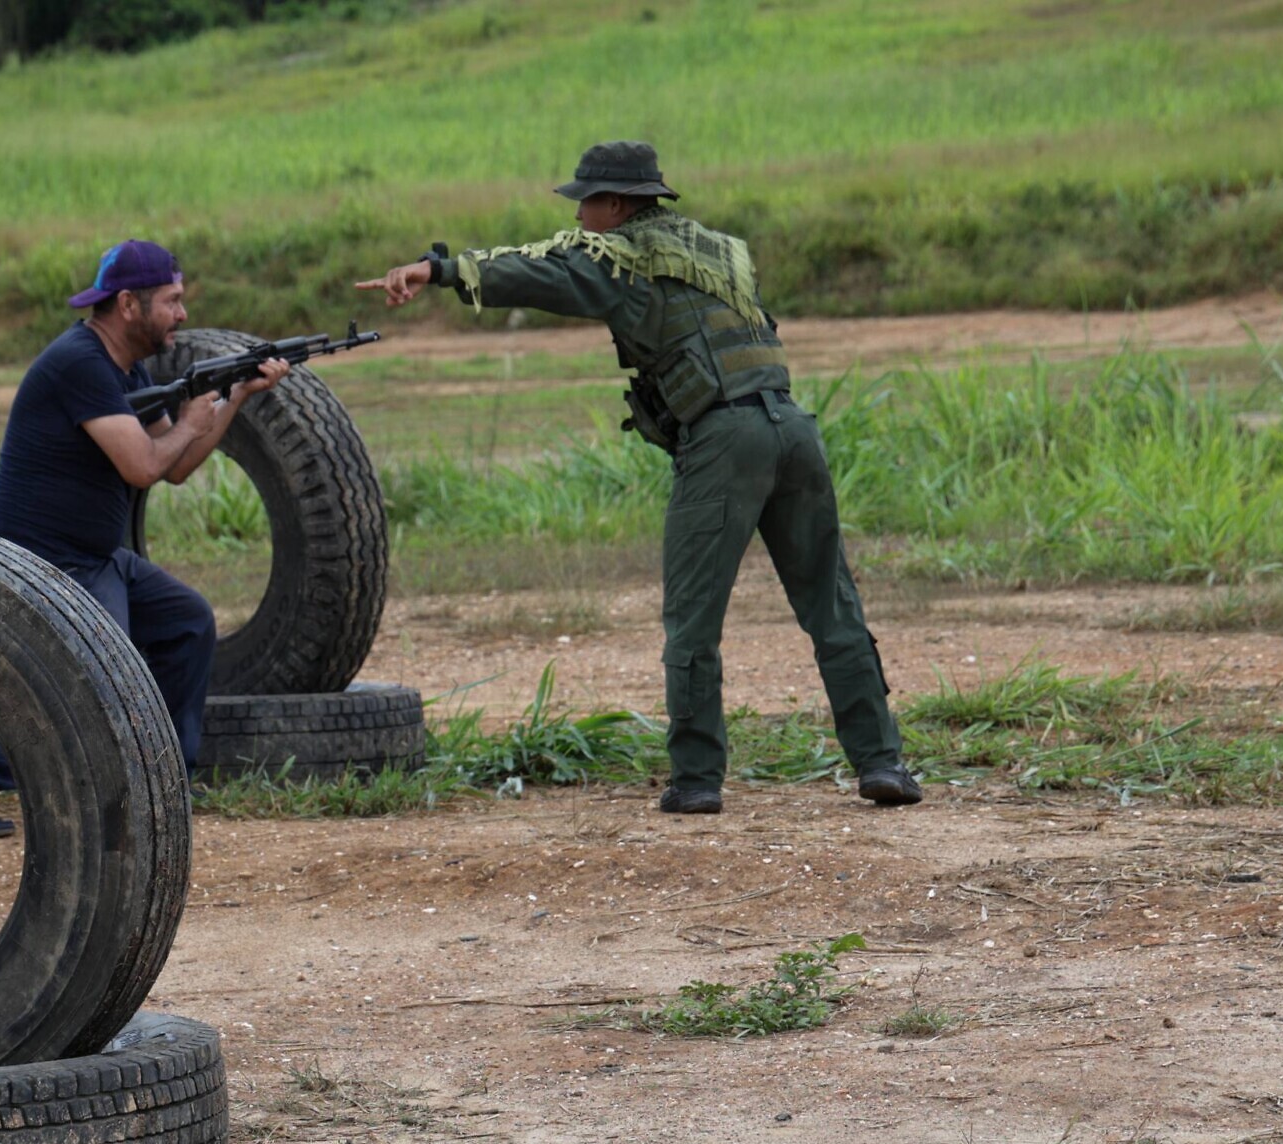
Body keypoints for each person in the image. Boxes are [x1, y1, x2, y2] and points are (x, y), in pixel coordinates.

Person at [357, 141, 922, 814]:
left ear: (618, 205)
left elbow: (537, 274)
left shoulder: (620, 260)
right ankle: (882, 761)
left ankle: (697, 779)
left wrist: (440, 270)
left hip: (725, 438)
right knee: (832, 606)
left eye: (587, 203)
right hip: (793, 428)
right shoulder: (720, 250)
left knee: (692, 620)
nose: (580, 216)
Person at [0, 240, 290, 838]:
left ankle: (165, 779)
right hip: (45, 562)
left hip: (94, 556)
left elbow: (176, 466)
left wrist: (235, 397)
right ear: (129, 305)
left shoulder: (129, 369)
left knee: (188, 623)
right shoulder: (79, 364)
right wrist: (192, 420)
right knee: (101, 682)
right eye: (172, 300)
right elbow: (142, 466)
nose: (184, 313)